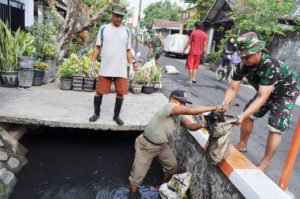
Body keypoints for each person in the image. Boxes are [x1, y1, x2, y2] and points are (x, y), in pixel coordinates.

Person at [219, 32, 300, 172]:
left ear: (258, 51)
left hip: (284, 94)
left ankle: (265, 163)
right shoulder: (242, 65)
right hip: (266, 91)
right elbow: (233, 88)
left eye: (248, 56)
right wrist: (224, 104)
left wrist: (242, 115)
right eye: (242, 56)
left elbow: (262, 97)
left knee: (275, 127)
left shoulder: (271, 66)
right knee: (248, 114)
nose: (245, 60)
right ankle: (242, 144)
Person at [128, 89, 222, 193]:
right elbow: (189, 109)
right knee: (137, 177)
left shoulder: (179, 115)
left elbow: (190, 126)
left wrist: (203, 125)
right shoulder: (168, 107)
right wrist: (215, 108)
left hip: (161, 146)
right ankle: (132, 194)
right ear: (171, 100)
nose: (183, 105)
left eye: (184, 103)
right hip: (146, 145)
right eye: (180, 102)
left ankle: (162, 187)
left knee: (172, 167)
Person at [88, 3, 134, 126]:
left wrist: (131, 66)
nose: (119, 18)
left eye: (121, 16)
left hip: (120, 68)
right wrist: (92, 63)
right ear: (111, 14)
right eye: (117, 15)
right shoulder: (104, 29)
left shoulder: (126, 31)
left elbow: (128, 50)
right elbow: (97, 47)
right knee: (99, 91)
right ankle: (96, 113)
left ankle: (116, 116)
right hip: (105, 67)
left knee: (121, 93)